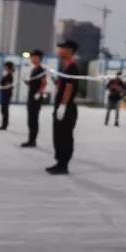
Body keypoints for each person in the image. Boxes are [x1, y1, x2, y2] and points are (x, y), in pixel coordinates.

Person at [47, 41, 80, 175]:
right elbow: (63, 85)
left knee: (65, 136)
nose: (59, 50)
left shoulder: (72, 67)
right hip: (61, 105)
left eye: (62, 48)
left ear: (70, 50)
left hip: (66, 107)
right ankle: (59, 162)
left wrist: (63, 105)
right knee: (58, 135)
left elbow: (69, 88)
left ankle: (63, 165)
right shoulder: (65, 66)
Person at [22, 50, 47, 148]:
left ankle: (32, 141)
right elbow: (34, 83)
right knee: (30, 119)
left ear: (39, 58)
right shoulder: (34, 69)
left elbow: (44, 83)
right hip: (31, 96)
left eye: (34, 57)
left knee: (33, 119)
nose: (32, 58)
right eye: (31, 57)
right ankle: (31, 139)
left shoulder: (41, 69)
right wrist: (27, 82)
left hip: (36, 98)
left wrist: (39, 93)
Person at [0, 61, 15, 131]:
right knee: (3, 109)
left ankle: (4, 125)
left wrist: (1, 87)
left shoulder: (10, 75)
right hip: (4, 93)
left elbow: (8, 86)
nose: (5, 68)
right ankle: (4, 124)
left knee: (4, 109)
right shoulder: (7, 74)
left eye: (6, 66)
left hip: (6, 94)